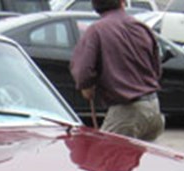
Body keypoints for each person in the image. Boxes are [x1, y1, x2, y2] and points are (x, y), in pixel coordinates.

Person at [70, 0, 164, 141]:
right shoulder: (141, 27)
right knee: (140, 160)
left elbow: (83, 71)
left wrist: (86, 86)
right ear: (123, 2)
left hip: (126, 111)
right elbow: (156, 68)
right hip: (153, 107)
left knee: (104, 158)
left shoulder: (96, 30)